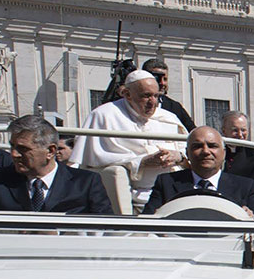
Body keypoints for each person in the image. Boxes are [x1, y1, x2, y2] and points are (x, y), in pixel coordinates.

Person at [71, 69, 188, 206]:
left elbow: (187, 152)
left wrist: (178, 156)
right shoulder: (104, 115)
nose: (153, 102)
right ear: (127, 94)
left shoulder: (168, 117)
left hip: (172, 193)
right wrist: (142, 162)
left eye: (156, 96)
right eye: (146, 96)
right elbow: (94, 163)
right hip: (135, 194)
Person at [0, 115, 112, 214]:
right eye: (12, 147)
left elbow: (106, 229)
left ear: (50, 151)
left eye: (23, 149)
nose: (14, 154)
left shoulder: (86, 183)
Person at [142, 126, 254, 219]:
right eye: (197, 146)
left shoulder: (245, 186)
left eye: (212, 146)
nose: (206, 151)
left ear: (223, 153)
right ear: (187, 153)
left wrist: (251, 219)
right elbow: (146, 223)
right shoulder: (166, 183)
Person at [142, 58, 196, 132]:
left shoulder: (174, 107)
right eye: (158, 78)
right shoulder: (132, 101)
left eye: (165, 79)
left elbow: (193, 132)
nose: (162, 83)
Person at [221, 111, 254, 190]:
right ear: (224, 131)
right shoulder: (216, 154)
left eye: (243, 130)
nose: (240, 134)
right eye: (235, 130)